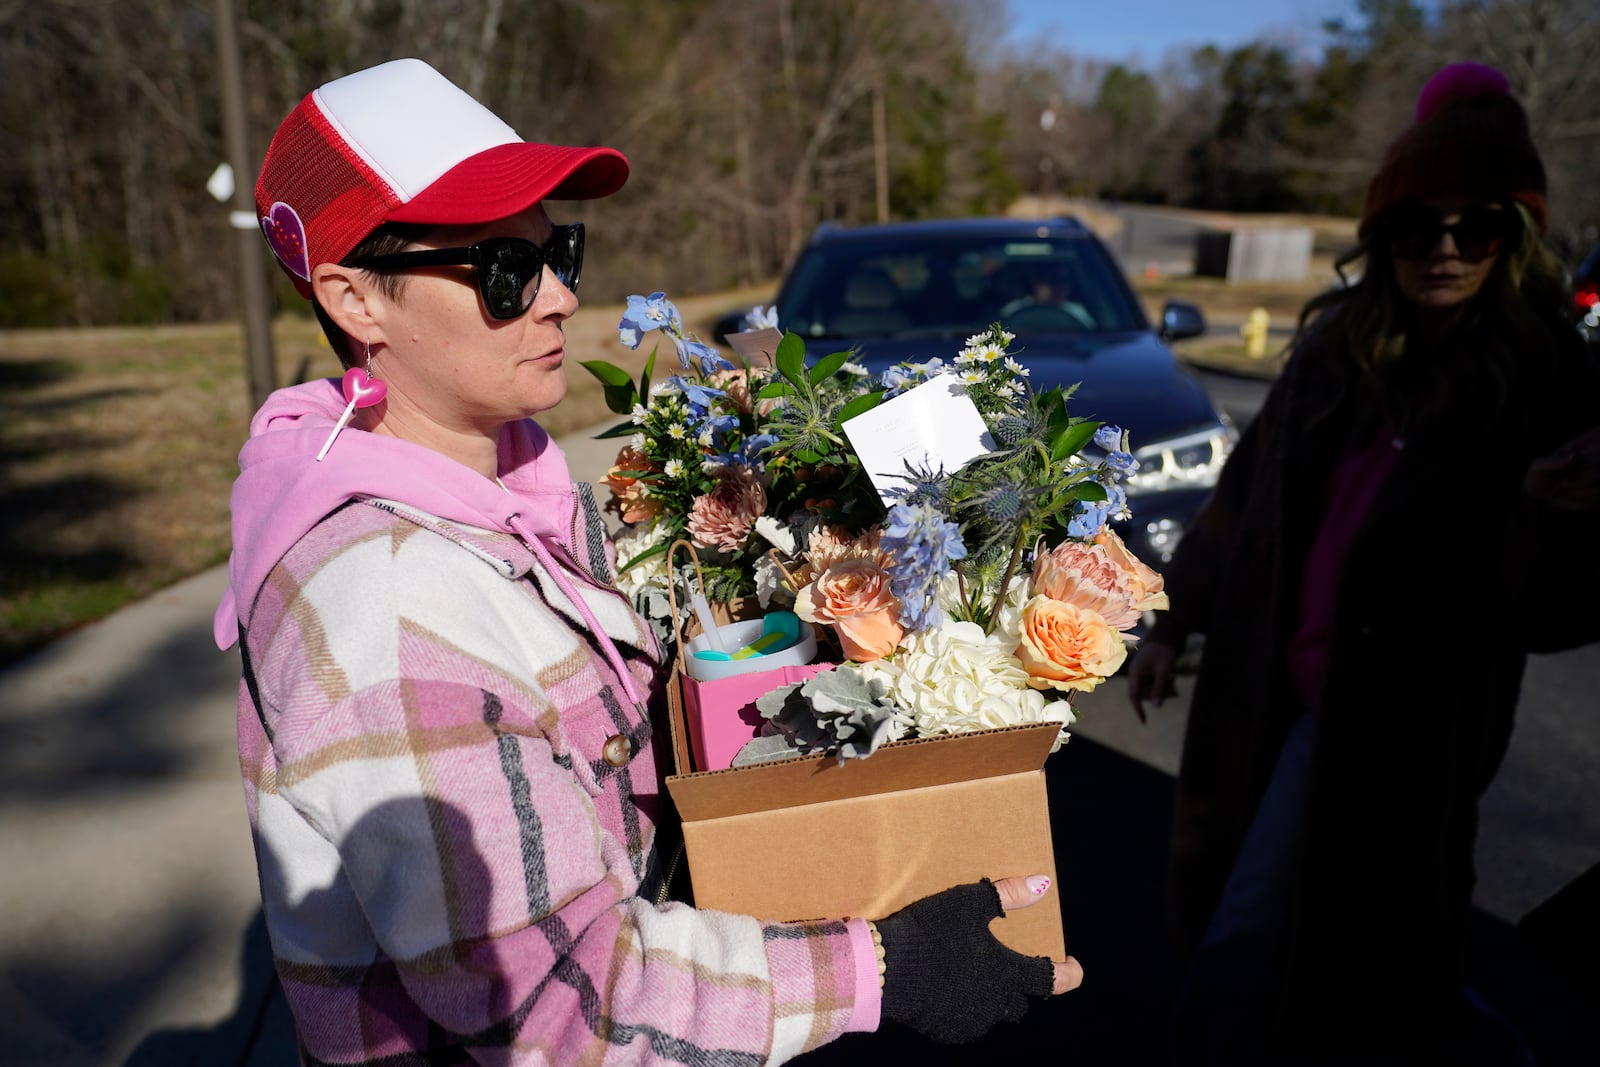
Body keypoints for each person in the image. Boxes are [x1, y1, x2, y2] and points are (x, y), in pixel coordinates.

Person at [212, 58, 1080, 1065]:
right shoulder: (388, 597)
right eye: (504, 267)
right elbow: (557, 1006)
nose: (561, 295)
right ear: (354, 299)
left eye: (559, 249)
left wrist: (936, 487)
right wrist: (888, 964)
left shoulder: (514, 491)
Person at [1125, 62, 1600, 1064]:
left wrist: (1537, 512)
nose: (1442, 247)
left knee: (1272, 931)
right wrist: (1172, 622)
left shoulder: (1546, 375)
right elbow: (1239, 503)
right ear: (1378, 236)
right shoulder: (1337, 350)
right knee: (1331, 939)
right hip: (1266, 684)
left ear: (1513, 239)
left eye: (1476, 226)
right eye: (1414, 224)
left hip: (1398, 722)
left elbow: (1552, 611)